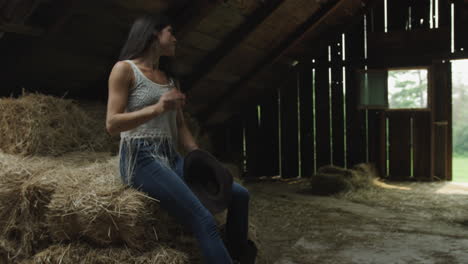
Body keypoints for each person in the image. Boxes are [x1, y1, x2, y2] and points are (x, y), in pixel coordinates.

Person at [105, 14, 250, 264]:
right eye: (170, 32)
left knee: (239, 195)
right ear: (153, 35)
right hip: (140, 159)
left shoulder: (169, 79)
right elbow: (112, 124)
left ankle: (239, 257)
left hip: (171, 156)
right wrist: (158, 108)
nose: (175, 38)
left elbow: (180, 125)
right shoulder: (125, 69)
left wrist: (200, 159)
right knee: (203, 219)